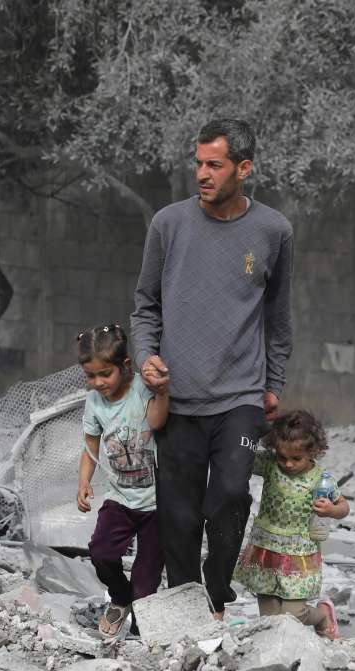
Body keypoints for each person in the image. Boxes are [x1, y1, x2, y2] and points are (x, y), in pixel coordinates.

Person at [131, 118, 294, 619]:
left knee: (228, 496)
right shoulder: (168, 224)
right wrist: (146, 357)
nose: (202, 174)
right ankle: (186, 609)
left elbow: (279, 316)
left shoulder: (273, 231)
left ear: (243, 169)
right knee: (178, 514)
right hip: (176, 396)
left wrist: (274, 383)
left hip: (241, 396)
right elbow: (145, 306)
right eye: (198, 163)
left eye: (215, 165)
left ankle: (217, 593)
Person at [75, 323, 169, 639]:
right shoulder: (94, 402)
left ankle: (143, 623)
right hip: (120, 498)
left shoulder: (143, 388)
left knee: (146, 580)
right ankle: (119, 597)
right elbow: (90, 447)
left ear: (125, 365)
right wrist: (84, 483)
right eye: (90, 376)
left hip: (156, 504)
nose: (98, 382)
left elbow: (158, 421)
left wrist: (162, 392)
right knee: (101, 552)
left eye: (105, 374)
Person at [234, 410, 348, 638]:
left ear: (313, 451)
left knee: (294, 613)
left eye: (296, 459)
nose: (288, 464)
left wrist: (331, 510)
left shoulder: (321, 479)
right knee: (270, 621)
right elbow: (241, 454)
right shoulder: (270, 465)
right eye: (282, 457)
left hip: (298, 554)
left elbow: (343, 507)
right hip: (266, 549)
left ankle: (322, 615)